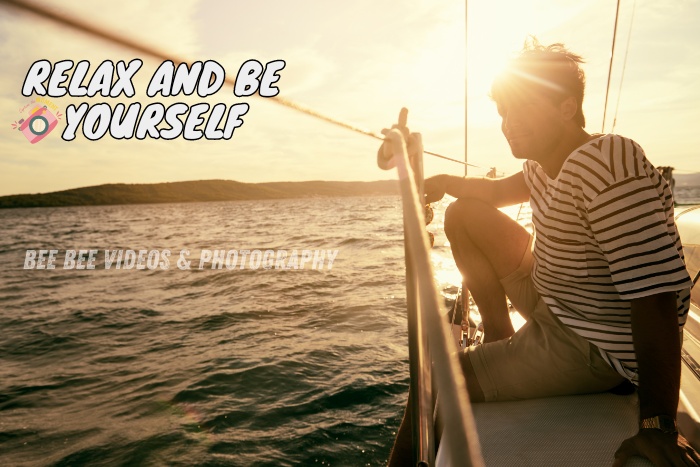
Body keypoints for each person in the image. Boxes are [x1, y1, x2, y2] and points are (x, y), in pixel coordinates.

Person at [379, 39, 699, 466]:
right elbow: (491, 192)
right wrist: (439, 180)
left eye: (521, 107)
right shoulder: (544, 164)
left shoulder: (608, 160)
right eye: (503, 112)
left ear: (567, 107)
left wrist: (657, 425)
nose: (508, 123)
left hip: (592, 343)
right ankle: (498, 332)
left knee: (433, 380)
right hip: (559, 300)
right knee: (463, 215)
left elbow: (653, 294)